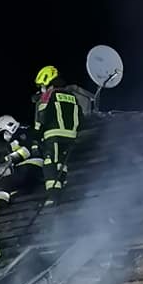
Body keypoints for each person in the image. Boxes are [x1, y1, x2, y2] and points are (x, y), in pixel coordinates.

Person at [33, 65, 82, 205]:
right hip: (71, 137)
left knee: (50, 162)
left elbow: (42, 117)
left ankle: (53, 196)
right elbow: (81, 117)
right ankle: (61, 186)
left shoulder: (48, 95)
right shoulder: (72, 96)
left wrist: (36, 137)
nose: (41, 89)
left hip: (53, 135)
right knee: (62, 164)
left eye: (42, 86)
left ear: (47, 82)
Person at [0, 114, 43, 209]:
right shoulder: (23, 132)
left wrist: (8, 159)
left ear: (10, 126)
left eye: (4, 132)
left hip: (32, 164)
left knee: (6, 181)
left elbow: (27, 150)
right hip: (30, 168)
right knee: (15, 189)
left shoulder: (22, 133)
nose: (5, 136)